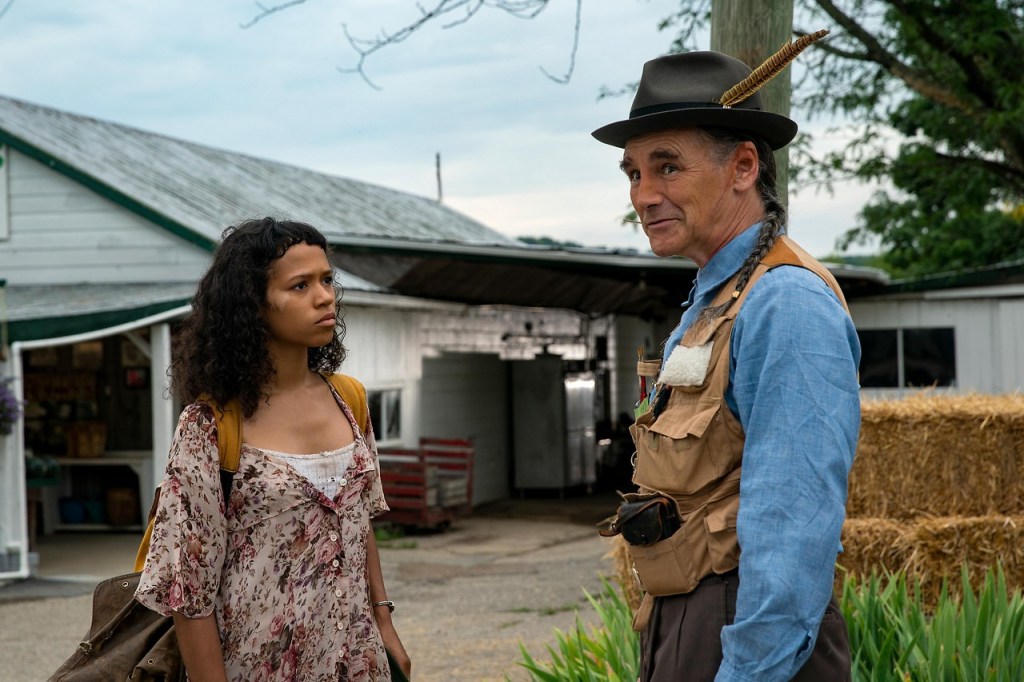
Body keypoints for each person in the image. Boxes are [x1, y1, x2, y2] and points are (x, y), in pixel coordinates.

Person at [592, 44, 860, 681]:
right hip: (692, 620)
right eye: (633, 173)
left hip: (749, 637)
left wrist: (748, 669)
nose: (644, 194)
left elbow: (791, 529)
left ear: (743, 166)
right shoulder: (714, 298)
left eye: (668, 168)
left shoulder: (784, 302)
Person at [135, 217, 411, 681]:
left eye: (326, 280)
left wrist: (385, 623)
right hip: (257, 664)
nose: (324, 297)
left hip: (357, 661)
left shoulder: (351, 401)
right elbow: (190, 592)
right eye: (299, 286)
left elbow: (358, 523)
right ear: (252, 306)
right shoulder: (211, 425)